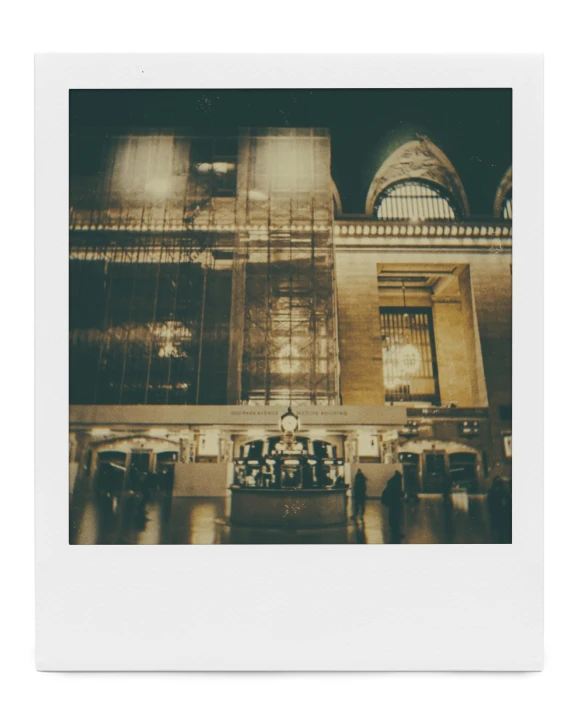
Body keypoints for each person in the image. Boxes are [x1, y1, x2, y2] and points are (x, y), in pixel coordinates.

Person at [381, 470, 404, 543]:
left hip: (392, 503)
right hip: (395, 503)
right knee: (396, 518)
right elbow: (397, 492)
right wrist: (402, 494)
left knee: (393, 517)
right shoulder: (396, 482)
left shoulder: (391, 481)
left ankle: (394, 532)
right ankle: (396, 533)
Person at [487, 476, 512, 543]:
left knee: (500, 528)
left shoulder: (493, 490)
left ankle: (501, 539)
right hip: (500, 511)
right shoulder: (503, 490)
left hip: (499, 511)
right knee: (502, 528)